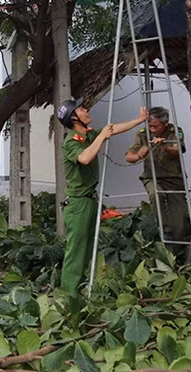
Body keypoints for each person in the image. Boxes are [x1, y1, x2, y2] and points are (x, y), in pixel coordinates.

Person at [56, 98, 147, 296]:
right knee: (76, 251)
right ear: (74, 118)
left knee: (88, 249)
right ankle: (67, 295)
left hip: (90, 200)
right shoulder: (71, 142)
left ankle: (82, 291)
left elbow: (113, 129)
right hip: (78, 204)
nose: (86, 110)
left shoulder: (87, 136)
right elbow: (85, 158)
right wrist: (101, 136)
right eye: (81, 109)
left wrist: (139, 120)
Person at [125, 106, 190, 255]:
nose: (152, 129)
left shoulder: (175, 131)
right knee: (156, 194)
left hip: (174, 179)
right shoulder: (142, 134)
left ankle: (174, 254)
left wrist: (164, 147)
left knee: (179, 221)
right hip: (152, 177)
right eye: (150, 125)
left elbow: (177, 150)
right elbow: (129, 156)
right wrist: (139, 154)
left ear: (165, 124)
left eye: (155, 126)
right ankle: (163, 229)